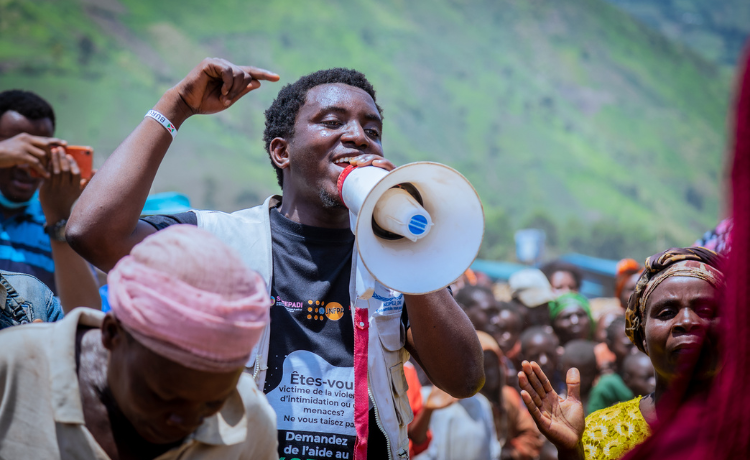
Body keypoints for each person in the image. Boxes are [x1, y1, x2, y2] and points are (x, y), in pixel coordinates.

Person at [67, 58, 484, 459]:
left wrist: (408, 247)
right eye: (333, 122)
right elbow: (93, 233)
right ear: (281, 152)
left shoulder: (401, 266)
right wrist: (176, 105)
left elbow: (463, 379)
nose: (358, 137)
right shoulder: (216, 240)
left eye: (371, 129)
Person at [0, 225, 277, 459]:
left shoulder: (246, 415)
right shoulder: (12, 368)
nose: (186, 422)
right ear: (112, 334)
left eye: (211, 405)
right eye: (162, 396)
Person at [517, 247, 723, 460]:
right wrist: (571, 453)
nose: (687, 322)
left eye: (707, 311)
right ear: (642, 334)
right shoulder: (599, 434)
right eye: (667, 313)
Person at [0, 90, 100, 312]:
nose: (27, 166)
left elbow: (86, 312)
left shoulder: (60, 226)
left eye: (40, 154)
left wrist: (59, 218)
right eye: (19, 151)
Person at [479, 331, 544, 460]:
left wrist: (512, 452)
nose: (489, 374)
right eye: (482, 368)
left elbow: (531, 434)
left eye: (492, 366)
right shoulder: (465, 404)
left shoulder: (508, 396)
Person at [587, 316, 639, 413]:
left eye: (640, 343)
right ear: (610, 346)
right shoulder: (606, 386)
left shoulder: (657, 372)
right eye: (629, 345)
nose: (637, 350)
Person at [520, 326, 563, 394]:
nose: (544, 361)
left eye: (549, 355)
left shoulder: (566, 390)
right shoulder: (514, 396)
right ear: (522, 358)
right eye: (535, 356)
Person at [560, 340, 598, 413]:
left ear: (595, 372)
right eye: (573, 374)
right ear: (561, 370)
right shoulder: (555, 403)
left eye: (586, 374)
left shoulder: (602, 403)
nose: (579, 380)